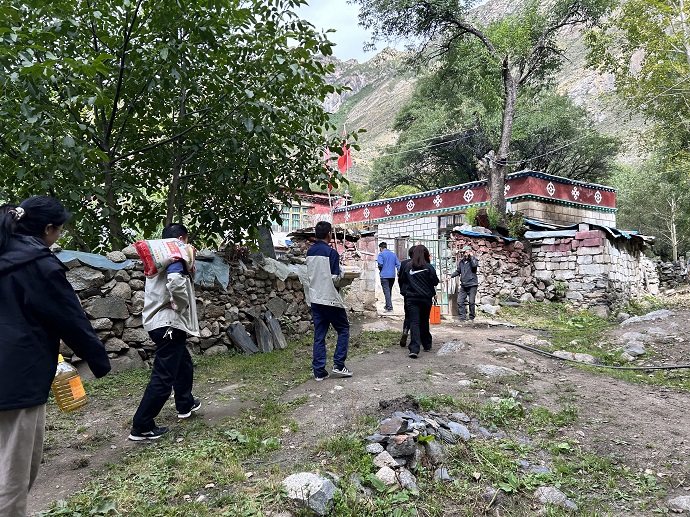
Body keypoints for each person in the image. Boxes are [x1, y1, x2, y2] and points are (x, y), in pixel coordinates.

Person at [0, 196, 111, 515]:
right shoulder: (37, 264)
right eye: (59, 230)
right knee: (14, 473)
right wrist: (98, 360)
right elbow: (69, 317)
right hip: (17, 380)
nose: (58, 236)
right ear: (48, 229)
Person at [130, 223, 201, 441]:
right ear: (181, 238)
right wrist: (180, 305)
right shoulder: (175, 254)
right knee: (163, 376)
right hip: (169, 323)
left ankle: (185, 403)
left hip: (159, 323)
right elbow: (176, 281)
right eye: (186, 240)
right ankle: (142, 424)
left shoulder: (159, 256)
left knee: (183, 363)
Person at [306, 221, 353, 381]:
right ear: (329, 234)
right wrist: (348, 278)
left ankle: (319, 371)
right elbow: (334, 279)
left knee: (319, 335)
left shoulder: (310, 252)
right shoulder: (331, 253)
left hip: (315, 297)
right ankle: (339, 364)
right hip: (330, 298)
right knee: (343, 329)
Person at [398, 245, 439, 358]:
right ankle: (426, 344)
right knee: (424, 321)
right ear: (426, 254)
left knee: (414, 322)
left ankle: (414, 349)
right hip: (426, 298)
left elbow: (403, 279)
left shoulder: (408, 266)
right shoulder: (429, 267)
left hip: (412, 299)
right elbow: (435, 282)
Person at [448, 245, 480, 321]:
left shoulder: (473, 260)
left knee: (471, 302)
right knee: (459, 301)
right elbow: (458, 271)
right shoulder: (462, 262)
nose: (464, 254)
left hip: (472, 284)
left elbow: (475, 265)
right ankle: (462, 317)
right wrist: (450, 276)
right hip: (464, 285)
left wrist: (472, 256)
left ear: (469, 252)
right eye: (463, 253)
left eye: (466, 252)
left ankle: (471, 317)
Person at [398, 245, 416, 348]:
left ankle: (405, 331)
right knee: (417, 316)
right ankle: (416, 337)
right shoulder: (422, 264)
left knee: (408, 314)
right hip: (418, 293)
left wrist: (402, 289)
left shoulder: (404, 263)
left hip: (406, 292)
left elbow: (400, 278)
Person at [377, 241, 400, 312]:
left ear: (380, 248)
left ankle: (389, 307)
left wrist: (381, 270)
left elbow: (380, 264)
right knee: (389, 291)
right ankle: (387, 305)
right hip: (392, 276)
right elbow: (398, 265)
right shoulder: (393, 254)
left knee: (386, 291)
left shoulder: (381, 254)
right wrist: (399, 273)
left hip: (384, 276)